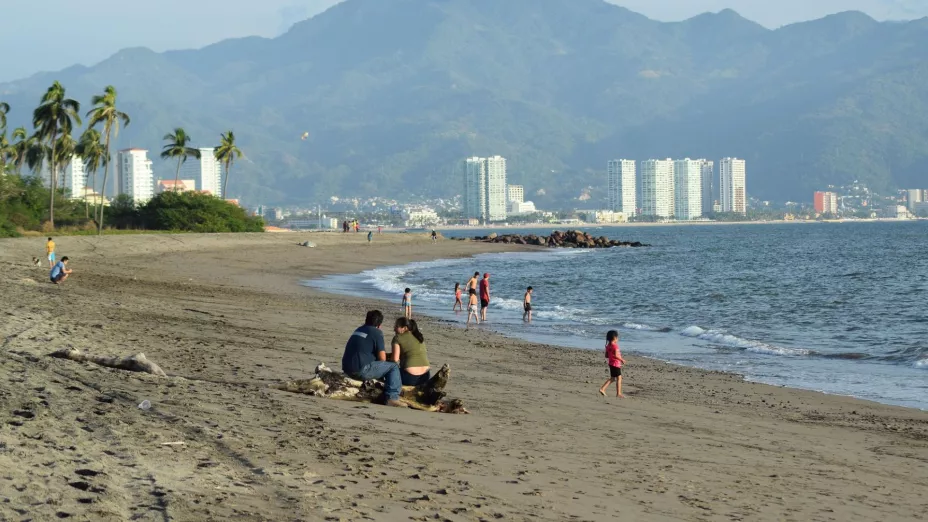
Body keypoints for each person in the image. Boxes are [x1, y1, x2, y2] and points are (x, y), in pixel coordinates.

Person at [341, 310, 406, 408]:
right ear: (379, 325)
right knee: (393, 367)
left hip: (346, 368)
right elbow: (382, 358)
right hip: (360, 370)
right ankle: (392, 398)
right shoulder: (377, 332)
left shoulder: (359, 329)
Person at [391, 318, 431, 386]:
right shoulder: (418, 336)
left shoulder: (397, 338)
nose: (394, 329)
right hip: (426, 376)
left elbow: (395, 359)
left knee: (390, 370)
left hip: (410, 377)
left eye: (396, 326)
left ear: (405, 328)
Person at [599, 330, 626, 398]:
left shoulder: (608, 346)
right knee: (619, 378)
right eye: (617, 338)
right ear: (615, 338)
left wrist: (611, 354)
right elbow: (616, 355)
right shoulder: (615, 346)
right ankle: (618, 393)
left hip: (611, 363)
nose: (618, 339)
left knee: (613, 378)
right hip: (616, 364)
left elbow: (606, 356)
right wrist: (622, 359)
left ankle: (603, 389)